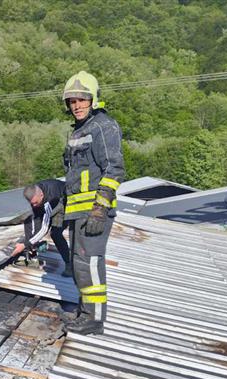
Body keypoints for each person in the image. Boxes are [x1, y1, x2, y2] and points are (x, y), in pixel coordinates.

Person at [61, 71, 125, 335]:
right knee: (79, 265)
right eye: (72, 101)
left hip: (93, 212)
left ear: (94, 99)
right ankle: (85, 310)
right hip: (78, 212)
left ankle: (94, 319)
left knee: (90, 263)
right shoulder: (80, 130)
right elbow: (74, 177)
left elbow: (114, 170)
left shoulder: (103, 126)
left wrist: (100, 209)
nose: (76, 106)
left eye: (82, 100)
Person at [12, 179, 72, 277]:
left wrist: (25, 244)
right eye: (32, 203)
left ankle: (70, 264)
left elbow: (44, 228)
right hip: (52, 201)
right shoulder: (34, 193)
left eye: (35, 202)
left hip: (64, 202)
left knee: (55, 234)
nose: (33, 205)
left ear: (41, 195)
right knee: (30, 220)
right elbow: (34, 219)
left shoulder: (49, 199)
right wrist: (30, 242)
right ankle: (31, 253)